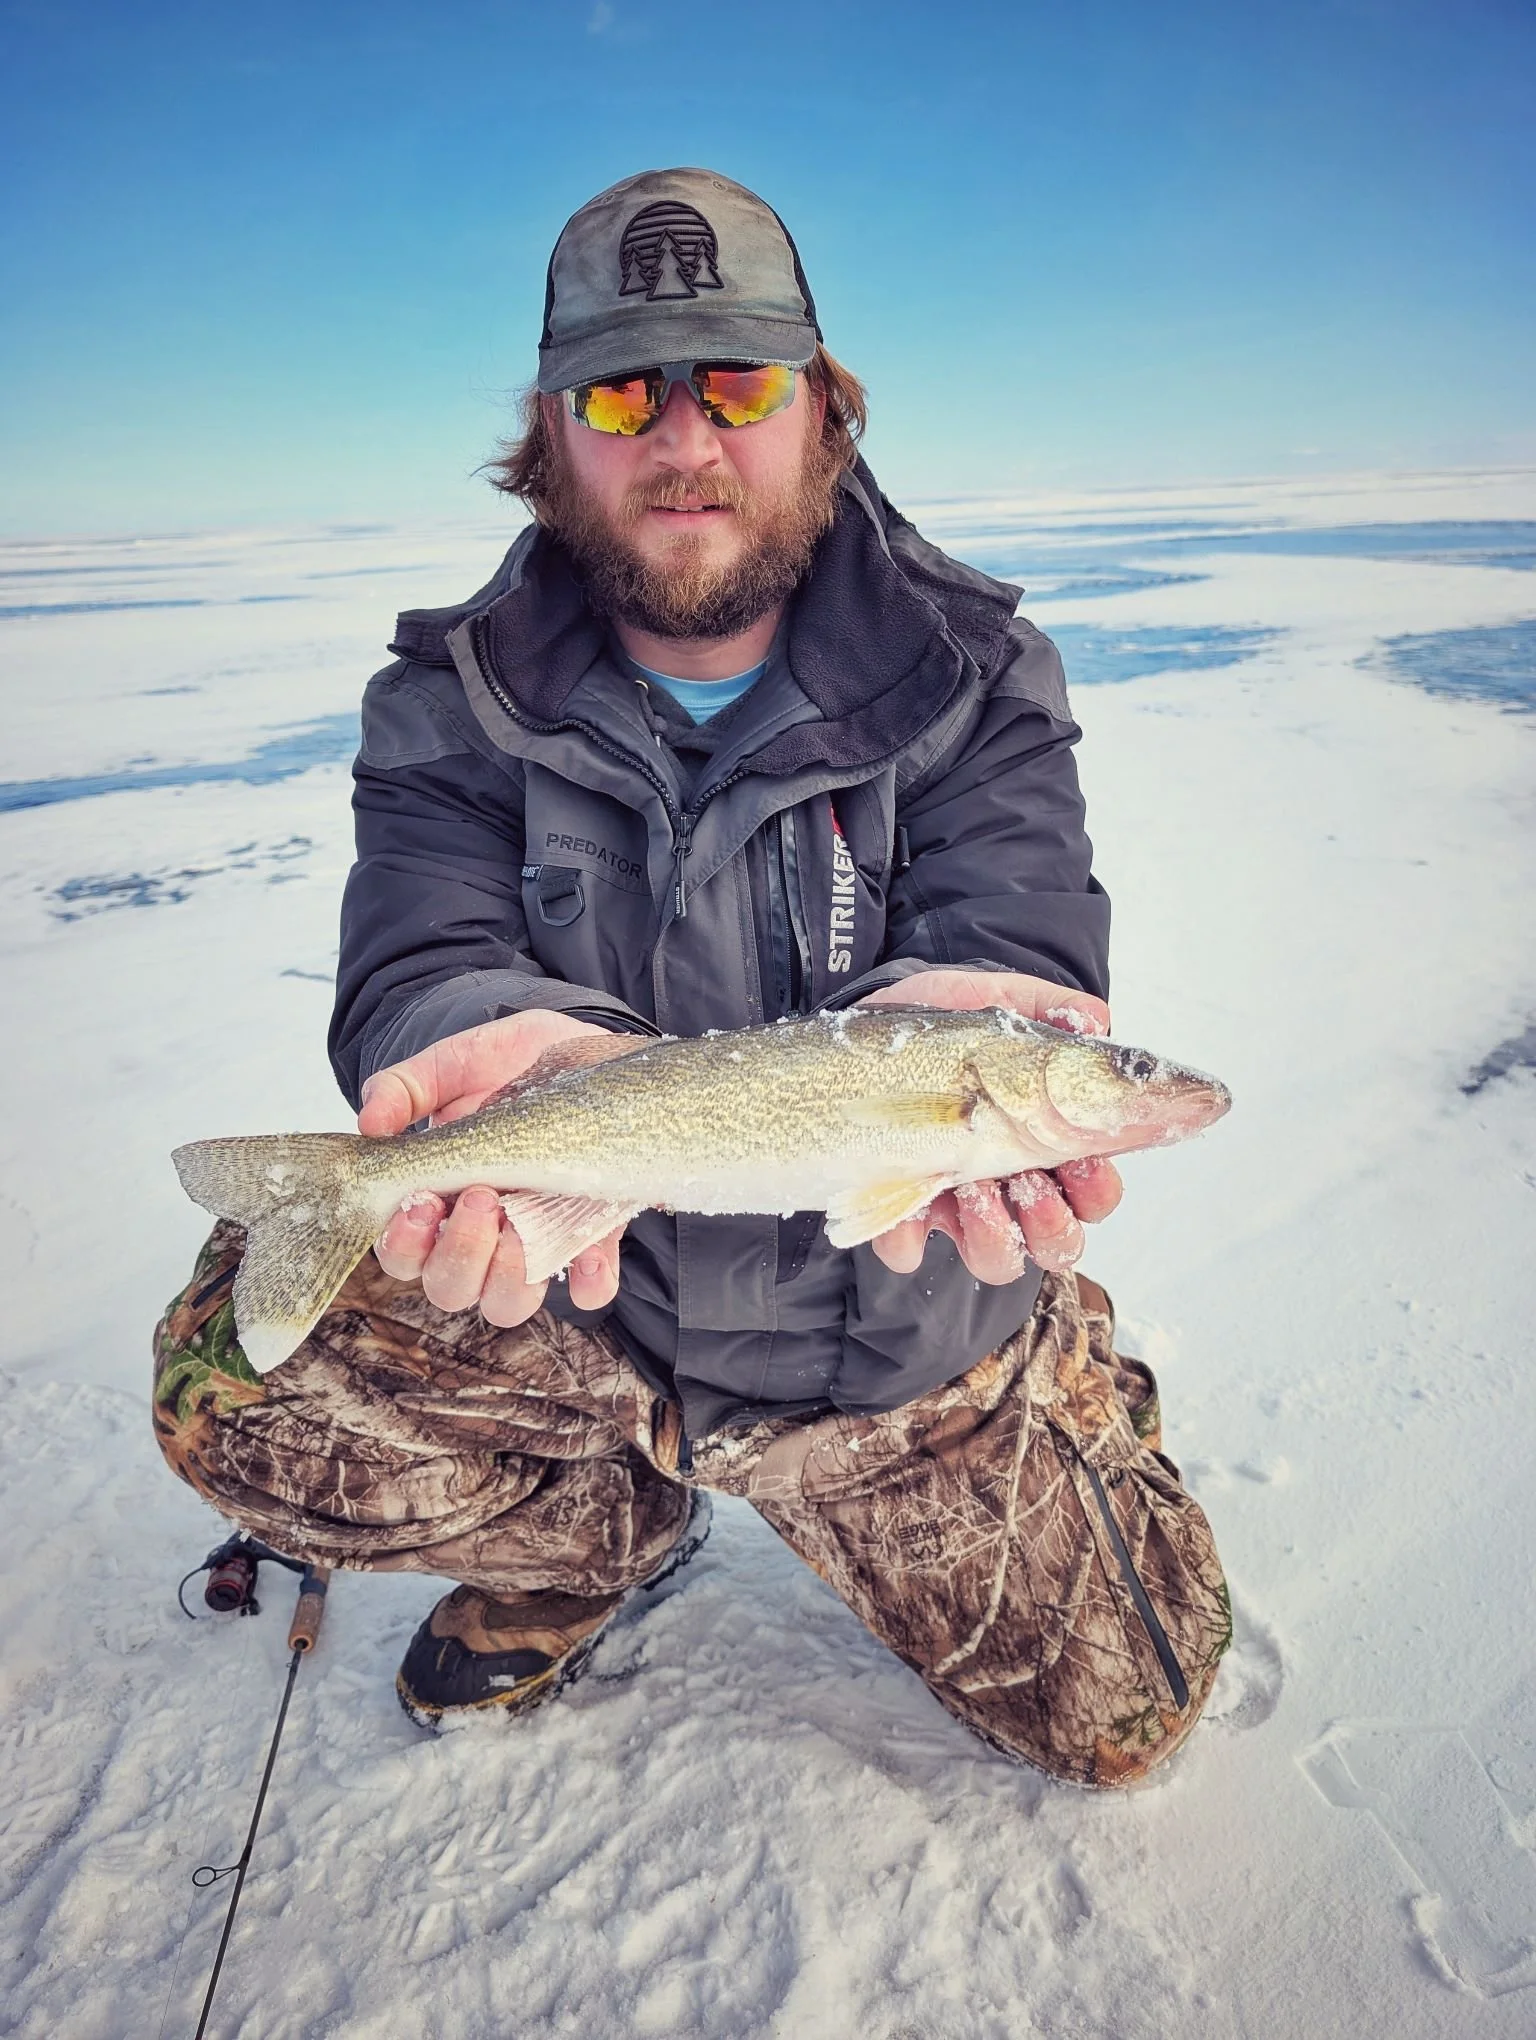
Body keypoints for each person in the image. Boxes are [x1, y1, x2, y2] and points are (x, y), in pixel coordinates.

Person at [153, 167, 1229, 1787]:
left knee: (1124, 1726)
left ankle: (1048, 1379)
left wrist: (987, 1001)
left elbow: (1016, 918)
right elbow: (421, 954)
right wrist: (479, 1051)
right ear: (552, 431)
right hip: (600, 1315)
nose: (683, 437)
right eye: (620, 389)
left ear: (821, 408)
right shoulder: (446, 699)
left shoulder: (976, 671)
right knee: (226, 1379)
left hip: (899, 1339)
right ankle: (590, 1531)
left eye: (736, 381)